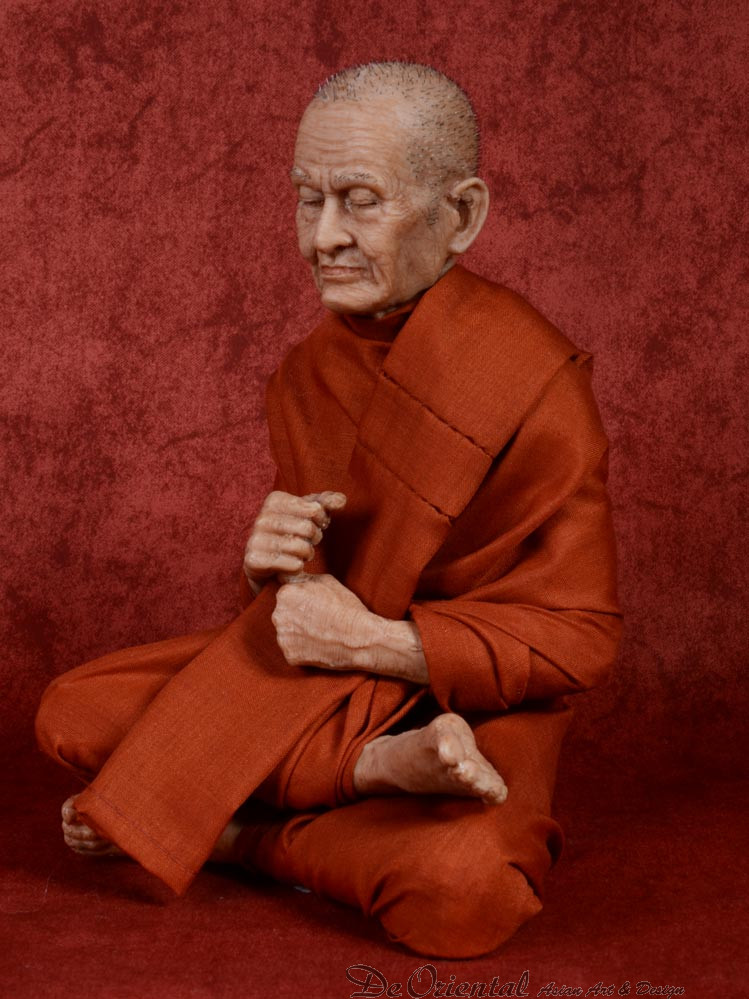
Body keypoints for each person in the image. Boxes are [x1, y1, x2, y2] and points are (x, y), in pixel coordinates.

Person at [35, 61, 622, 958]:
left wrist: (379, 644)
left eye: (360, 200)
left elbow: (578, 639)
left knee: (461, 890)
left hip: (470, 703)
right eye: (307, 199)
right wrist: (271, 567)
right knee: (71, 712)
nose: (323, 237)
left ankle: (232, 833)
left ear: (461, 215)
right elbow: (307, 611)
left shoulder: (532, 380)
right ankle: (369, 774)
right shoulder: (306, 373)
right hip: (327, 693)